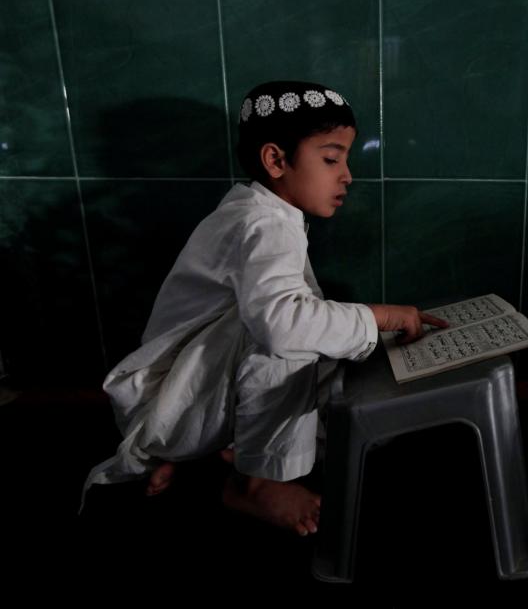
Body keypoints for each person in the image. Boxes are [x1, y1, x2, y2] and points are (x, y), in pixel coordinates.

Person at [81, 80, 448, 537]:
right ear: (276, 160)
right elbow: (280, 325)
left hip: (192, 400)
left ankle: (204, 455)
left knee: (327, 348)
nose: (347, 175)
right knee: (287, 336)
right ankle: (253, 484)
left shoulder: (259, 210)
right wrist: (380, 316)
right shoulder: (262, 223)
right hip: (176, 406)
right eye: (331, 159)